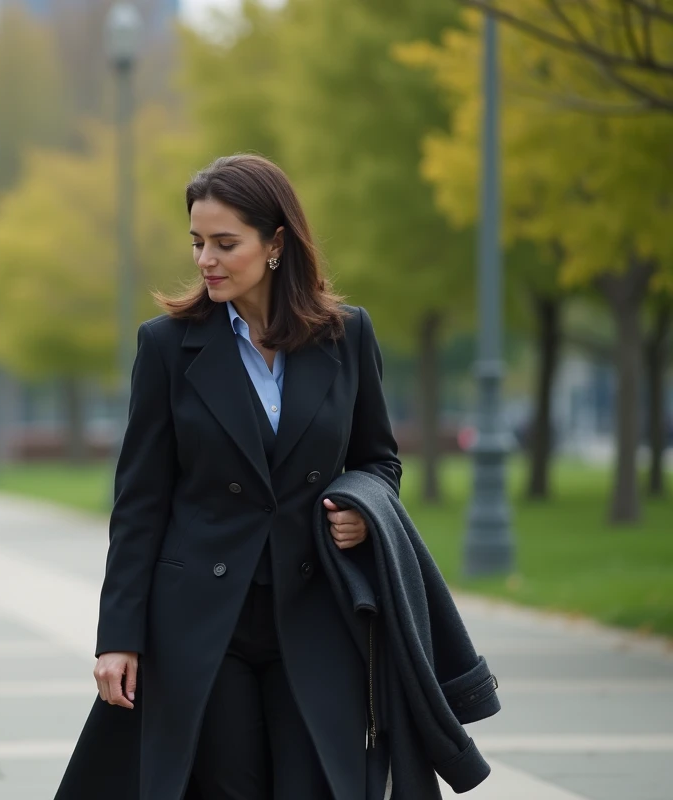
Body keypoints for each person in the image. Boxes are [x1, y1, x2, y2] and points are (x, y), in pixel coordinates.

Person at [58, 155, 403, 800]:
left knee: (317, 785)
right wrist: (119, 638)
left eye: (224, 244)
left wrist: (363, 509)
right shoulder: (166, 346)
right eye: (197, 243)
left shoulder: (346, 336)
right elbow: (139, 502)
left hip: (317, 612)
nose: (206, 260)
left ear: (275, 243)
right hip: (203, 623)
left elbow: (379, 461)